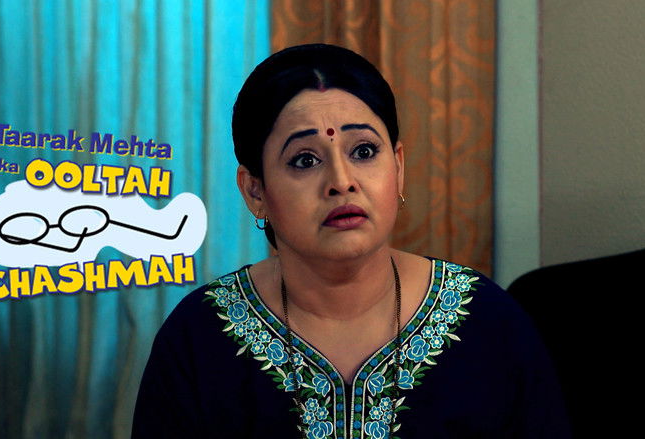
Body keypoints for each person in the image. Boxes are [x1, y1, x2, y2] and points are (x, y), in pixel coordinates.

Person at [132, 43, 570, 439]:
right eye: (305, 160)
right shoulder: (199, 338)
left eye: (363, 151)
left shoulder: (487, 322)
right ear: (255, 191)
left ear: (398, 167)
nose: (342, 182)